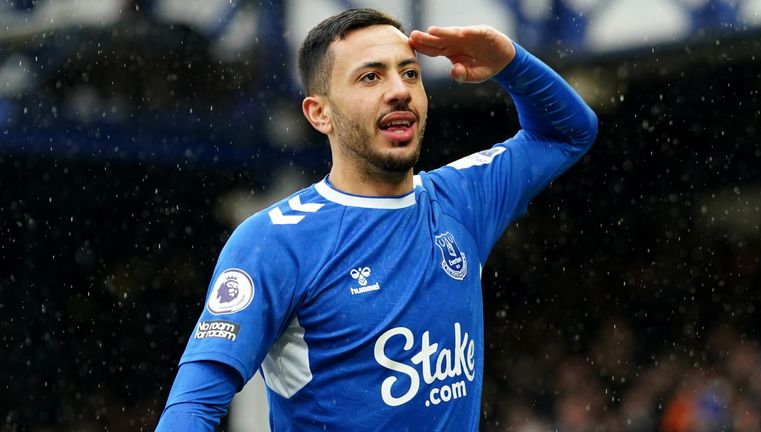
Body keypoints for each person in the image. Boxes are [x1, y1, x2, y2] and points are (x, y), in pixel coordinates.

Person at [156, 7, 597, 431]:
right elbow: (194, 405)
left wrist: (510, 62)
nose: (399, 89)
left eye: (409, 73)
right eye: (371, 76)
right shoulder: (273, 240)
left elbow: (568, 131)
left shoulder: (461, 198)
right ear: (319, 113)